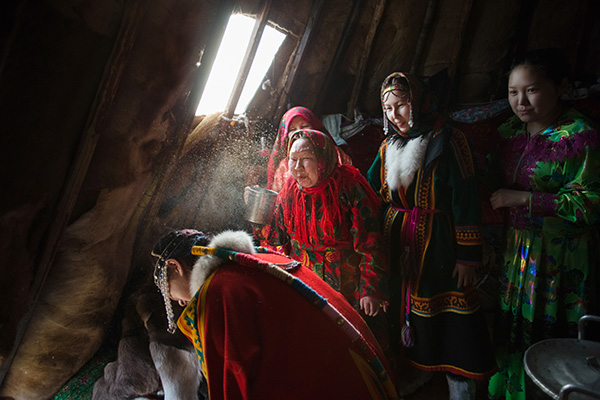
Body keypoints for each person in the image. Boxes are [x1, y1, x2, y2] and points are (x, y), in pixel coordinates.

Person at [151, 228, 399, 400]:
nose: (179, 302)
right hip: (361, 377)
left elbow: (234, 376)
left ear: (175, 267)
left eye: (167, 291)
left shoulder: (220, 291)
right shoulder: (257, 259)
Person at [367, 72, 497, 399]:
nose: (395, 115)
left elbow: (465, 198)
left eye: (402, 105)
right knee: (404, 308)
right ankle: (417, 372)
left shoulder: (449, 141)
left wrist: (467, 257)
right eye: (388, 109)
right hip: (397, 242)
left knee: (450, 312)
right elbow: (368, 191)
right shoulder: (387, 146)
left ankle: (460, 385)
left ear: (420, 101)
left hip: (439, 243)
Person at [487, 48, 600, 400]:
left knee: (551, 331)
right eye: (513, 92)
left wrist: (525, 199)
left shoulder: (579, 136)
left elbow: (590, 203)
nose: (520, 102)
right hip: (517, 251)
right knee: (513, 325)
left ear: (561, 86)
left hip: (561, 255)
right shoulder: (509, 133)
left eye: (532, 90)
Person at [253, 129, 389, 319]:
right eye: (293, 159)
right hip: (304, 284)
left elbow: (370, 243)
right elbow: (276, 237)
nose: (298, 167)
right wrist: (256, 209)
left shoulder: (349, 188)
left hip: (346, 287)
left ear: (323, 159)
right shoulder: (289, 192)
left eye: (306, 158)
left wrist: (370, 289)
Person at [266, 106, 352, 192]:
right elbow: (277, 195)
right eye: (292, 129)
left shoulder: (335, 154)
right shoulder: (284, 167)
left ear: (315, 128)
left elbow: (350, 185)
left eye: (304, 126)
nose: (299, 132)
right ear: (285, 135)